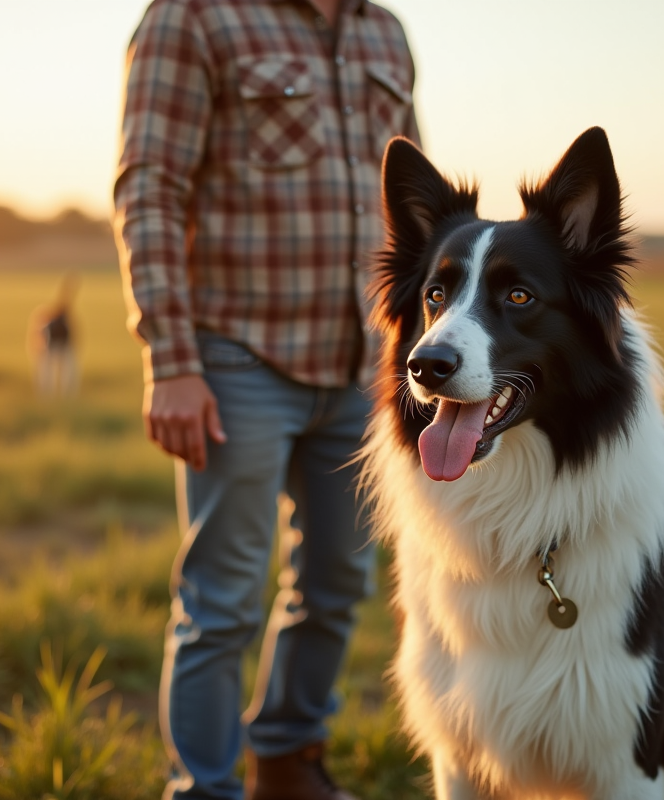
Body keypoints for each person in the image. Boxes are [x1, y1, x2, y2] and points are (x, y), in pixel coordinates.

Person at [113, 1, 419, 798]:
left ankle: (286, 762)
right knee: (223, 596)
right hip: (234, 358)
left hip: (364, 370)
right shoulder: (194, 18)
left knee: (337, 586)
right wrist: (172, 360)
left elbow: (418, 210)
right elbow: (149, 189)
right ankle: (205, 790)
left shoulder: (383, 30)